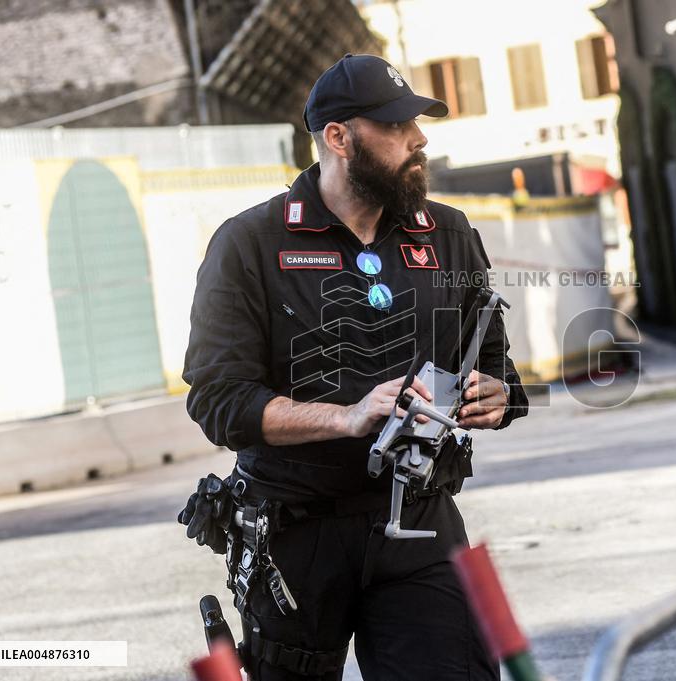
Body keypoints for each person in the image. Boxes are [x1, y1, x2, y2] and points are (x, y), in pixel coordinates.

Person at [179, 53, 529, 681]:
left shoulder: (449, 234)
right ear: (339, 138)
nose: (418, 139)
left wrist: (498, 396)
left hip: (421, 520)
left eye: (416, 123)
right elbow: (218, 400)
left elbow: (496, 365)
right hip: (295, 535)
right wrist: (345, 417)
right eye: (395, 126)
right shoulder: (248, 244)